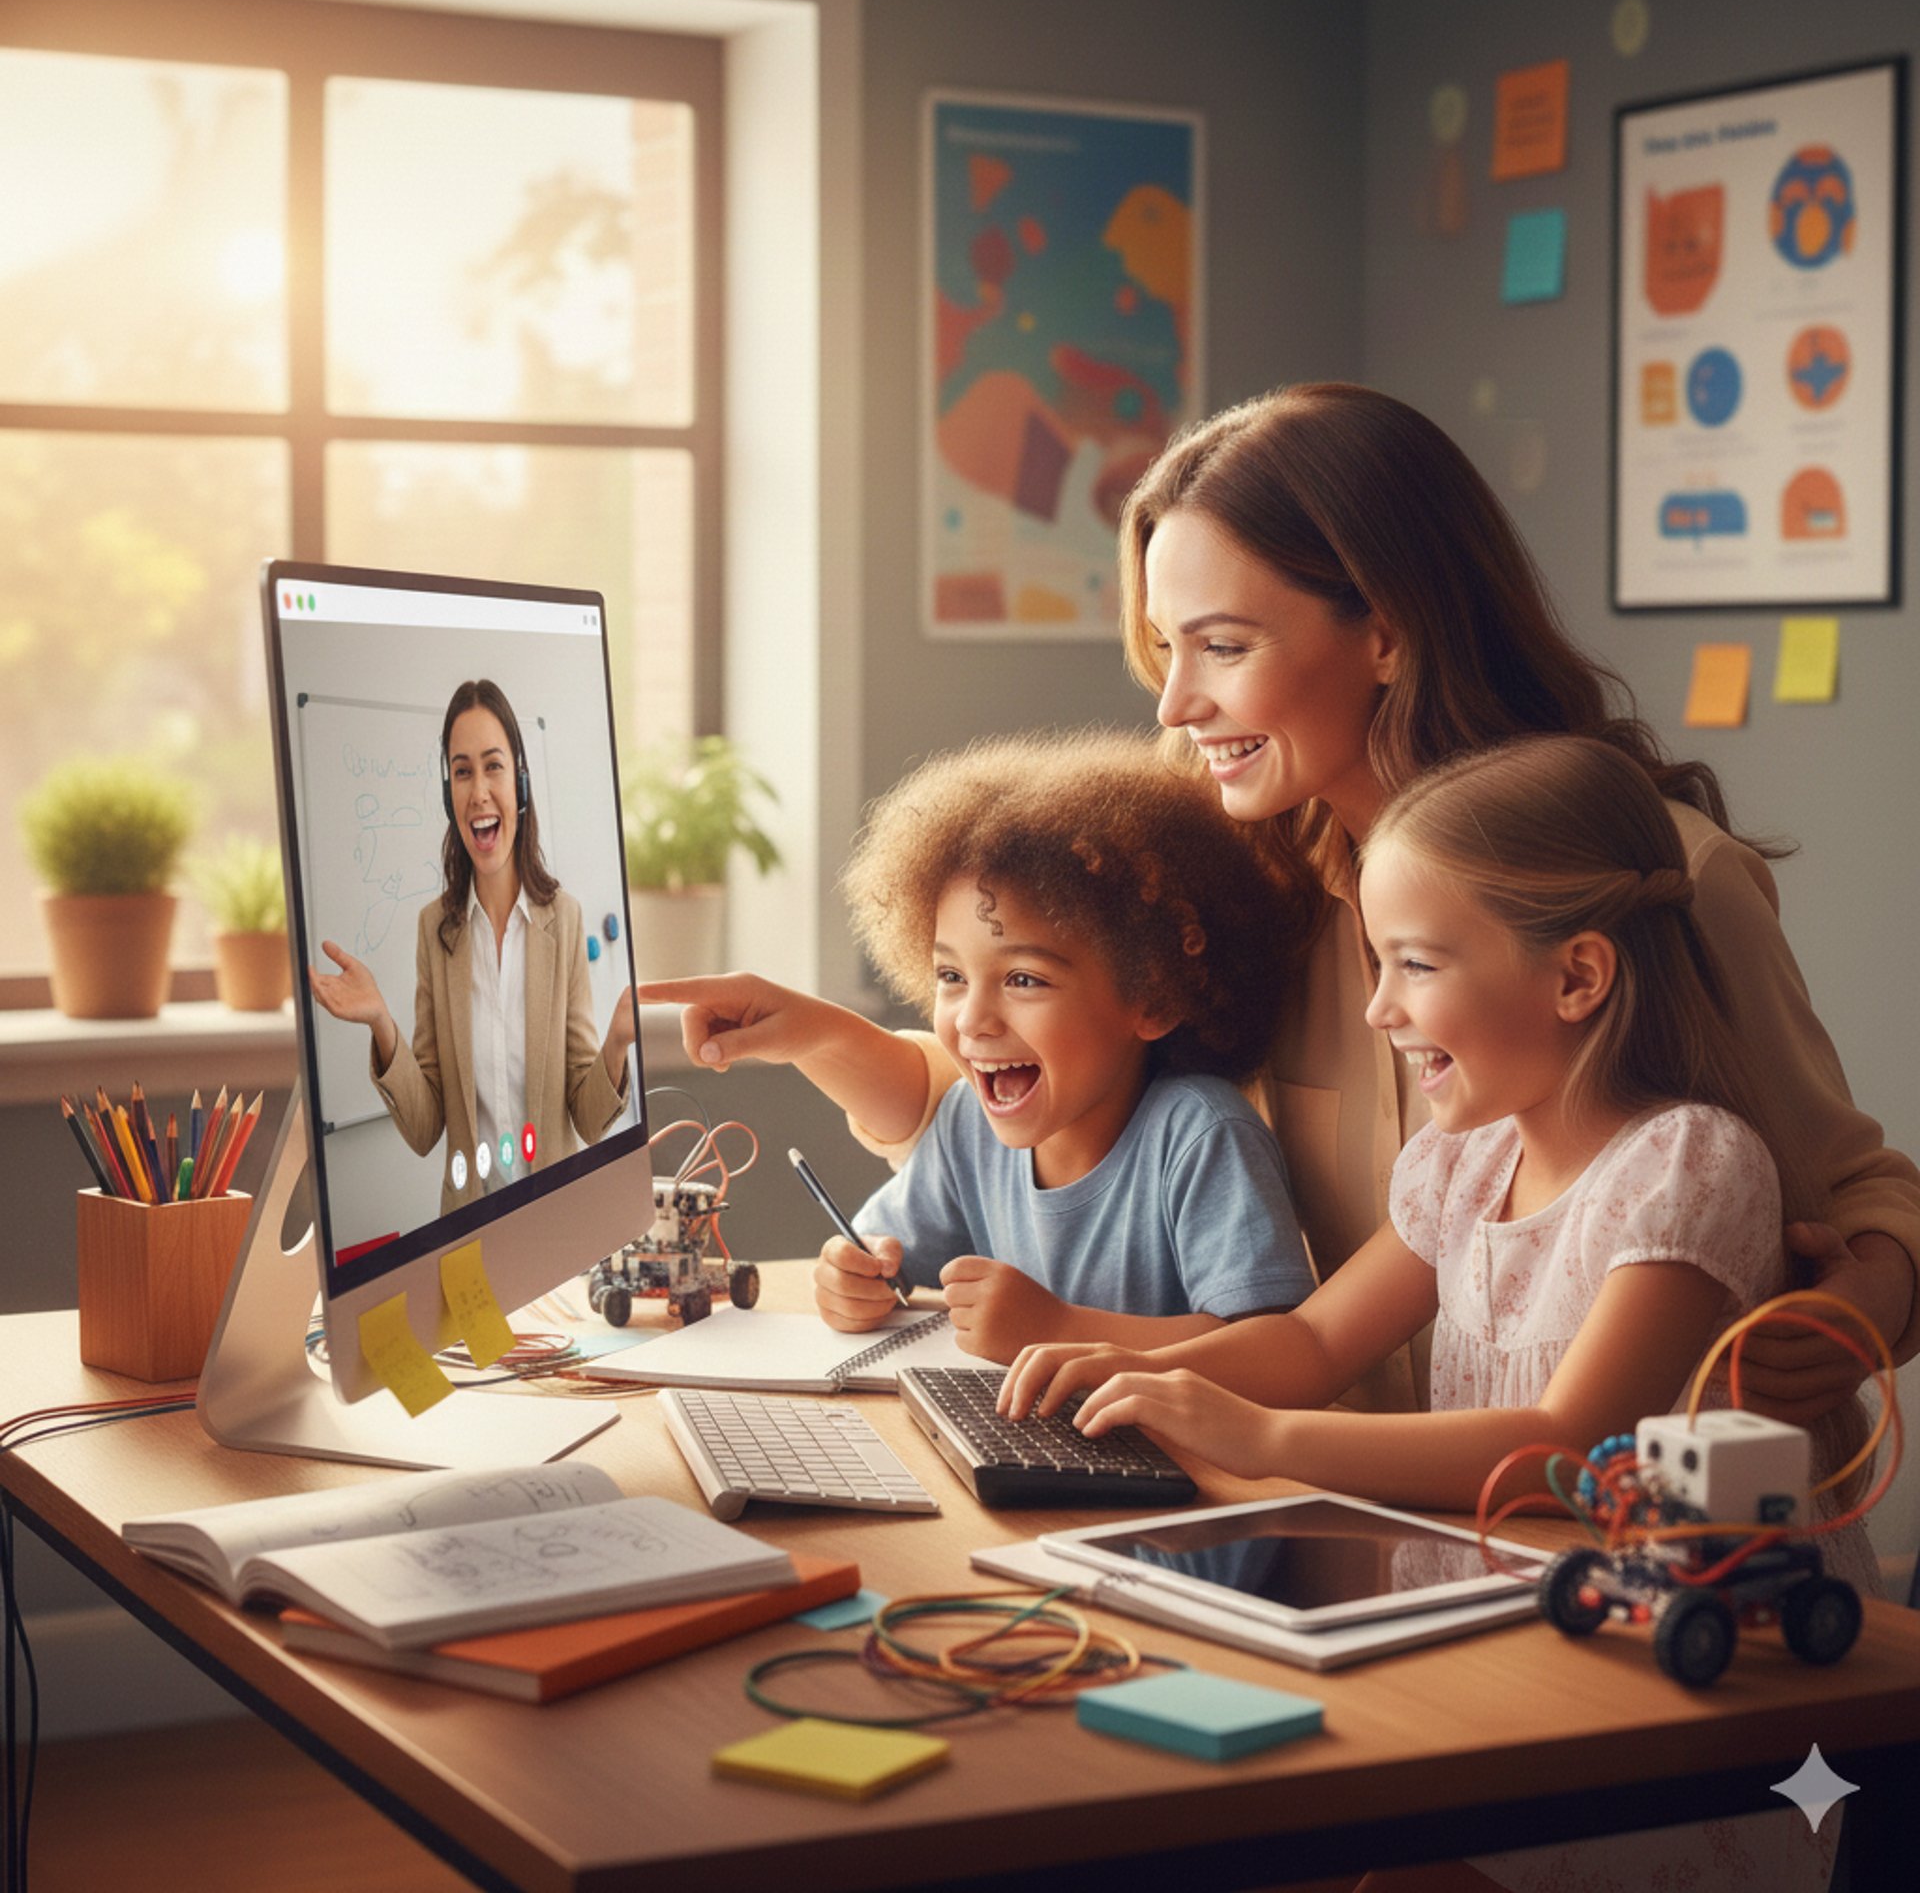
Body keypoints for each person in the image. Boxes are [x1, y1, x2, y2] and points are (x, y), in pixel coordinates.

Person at [640, 384, 1920, 1417]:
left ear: (1386, 632)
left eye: (1224, 647)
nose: (1173, 705)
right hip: (1383, 1526)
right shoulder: (1244, 884)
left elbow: (1863, 1196)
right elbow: (1052, 1084)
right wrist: (812, 1032)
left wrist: (1863, 1305)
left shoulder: (1661, 878)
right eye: (1166, 647)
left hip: (1663, 1550)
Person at [1001, 734, 1870, 1893]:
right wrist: (1121, 1364)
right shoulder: (1460, 1165)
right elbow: (1313, 1341)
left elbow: (1568, 1447)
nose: (1375, 1011)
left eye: (1412, 966)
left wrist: (1260, 1440)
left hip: (1663, 1697)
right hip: (1496, 1667)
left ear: (1578, 978)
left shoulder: (1687, 1167)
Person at [793, 730, 1318, 1361]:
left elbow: (1269, 1346)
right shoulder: (968, 1126)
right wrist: (852, 1280)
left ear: (1153, 998)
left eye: (1023, 980)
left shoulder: (1201, 1136)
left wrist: (1063, 1327)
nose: (973, 1020)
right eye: (952, 977)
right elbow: (885, 1259)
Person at [309, 678, 636, 1214]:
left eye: (493, 766)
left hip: (555, 1227)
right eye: (462, 771)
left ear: (520, 784)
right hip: (468, 1236)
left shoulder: (565, 922)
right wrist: (381, 1025)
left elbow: (587, 1119)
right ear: (448, 795)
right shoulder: (435, 932)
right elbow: (424, 1128)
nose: (479, 790)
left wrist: (618, 1043)